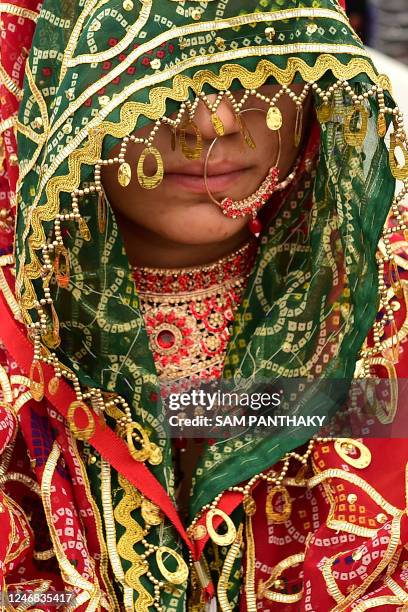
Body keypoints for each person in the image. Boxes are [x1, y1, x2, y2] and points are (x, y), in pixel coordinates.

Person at [1, 0, 408, 610]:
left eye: (253, 69)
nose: (212, 123)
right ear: (58, 88)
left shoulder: (379, 313)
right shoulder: (18, 342)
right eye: (157, 77)